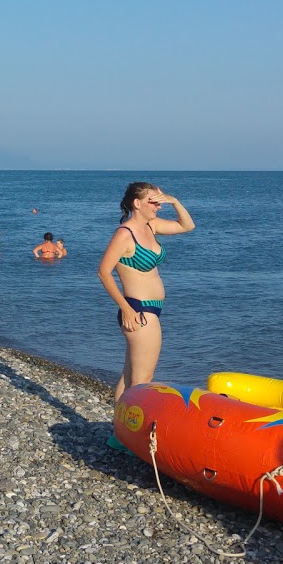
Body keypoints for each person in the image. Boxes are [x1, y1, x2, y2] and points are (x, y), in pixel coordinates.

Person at [98, 182, 196, 427]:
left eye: (159, 201)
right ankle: (130, 434)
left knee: (129, 375)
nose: (158, 205)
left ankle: (118, 431)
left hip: (148, 310)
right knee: (142, 381)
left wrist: (174, 201)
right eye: (153, 201)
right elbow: (103, 272)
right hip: (139, 310)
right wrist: (126, 308)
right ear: (137, 203)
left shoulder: (151, 226)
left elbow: (187, 225)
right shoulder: (125, 234)